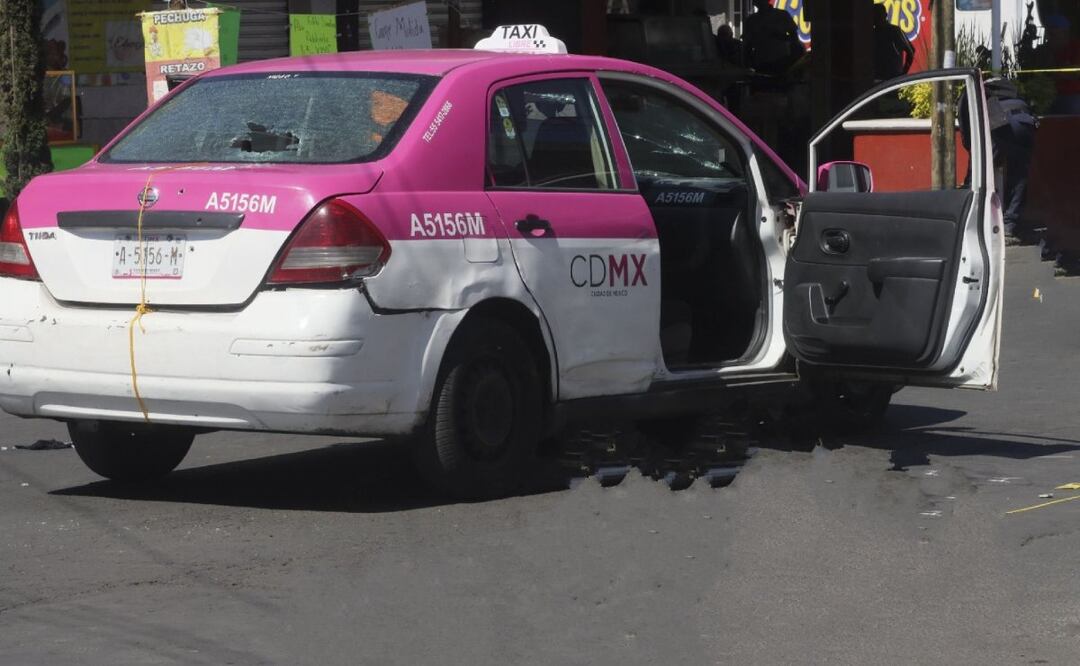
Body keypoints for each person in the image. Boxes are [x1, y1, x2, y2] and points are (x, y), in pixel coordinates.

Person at [961, 78, 1038, 242]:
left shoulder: (969, 93)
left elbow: (969, 135)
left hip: (1000, 123)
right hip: (1026, 122)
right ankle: (1010, 224)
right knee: (1020, 174)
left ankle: (971, 220)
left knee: (980, 171)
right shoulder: (1007, 87)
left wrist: (973, 160)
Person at [742, 0, 802, 78]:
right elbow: (747, 46)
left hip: (780, 61)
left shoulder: (782, 15)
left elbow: (794, 39)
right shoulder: (752, 20)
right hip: (763, 63)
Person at [872, 3, 914, 80]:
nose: (876, 18)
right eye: (875, 15)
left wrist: (904, 73)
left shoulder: (895, 31)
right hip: (877, 79)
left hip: (892, 79)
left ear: (885, 15)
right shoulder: (871, 34)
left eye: (878, 15)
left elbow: (911, 51)